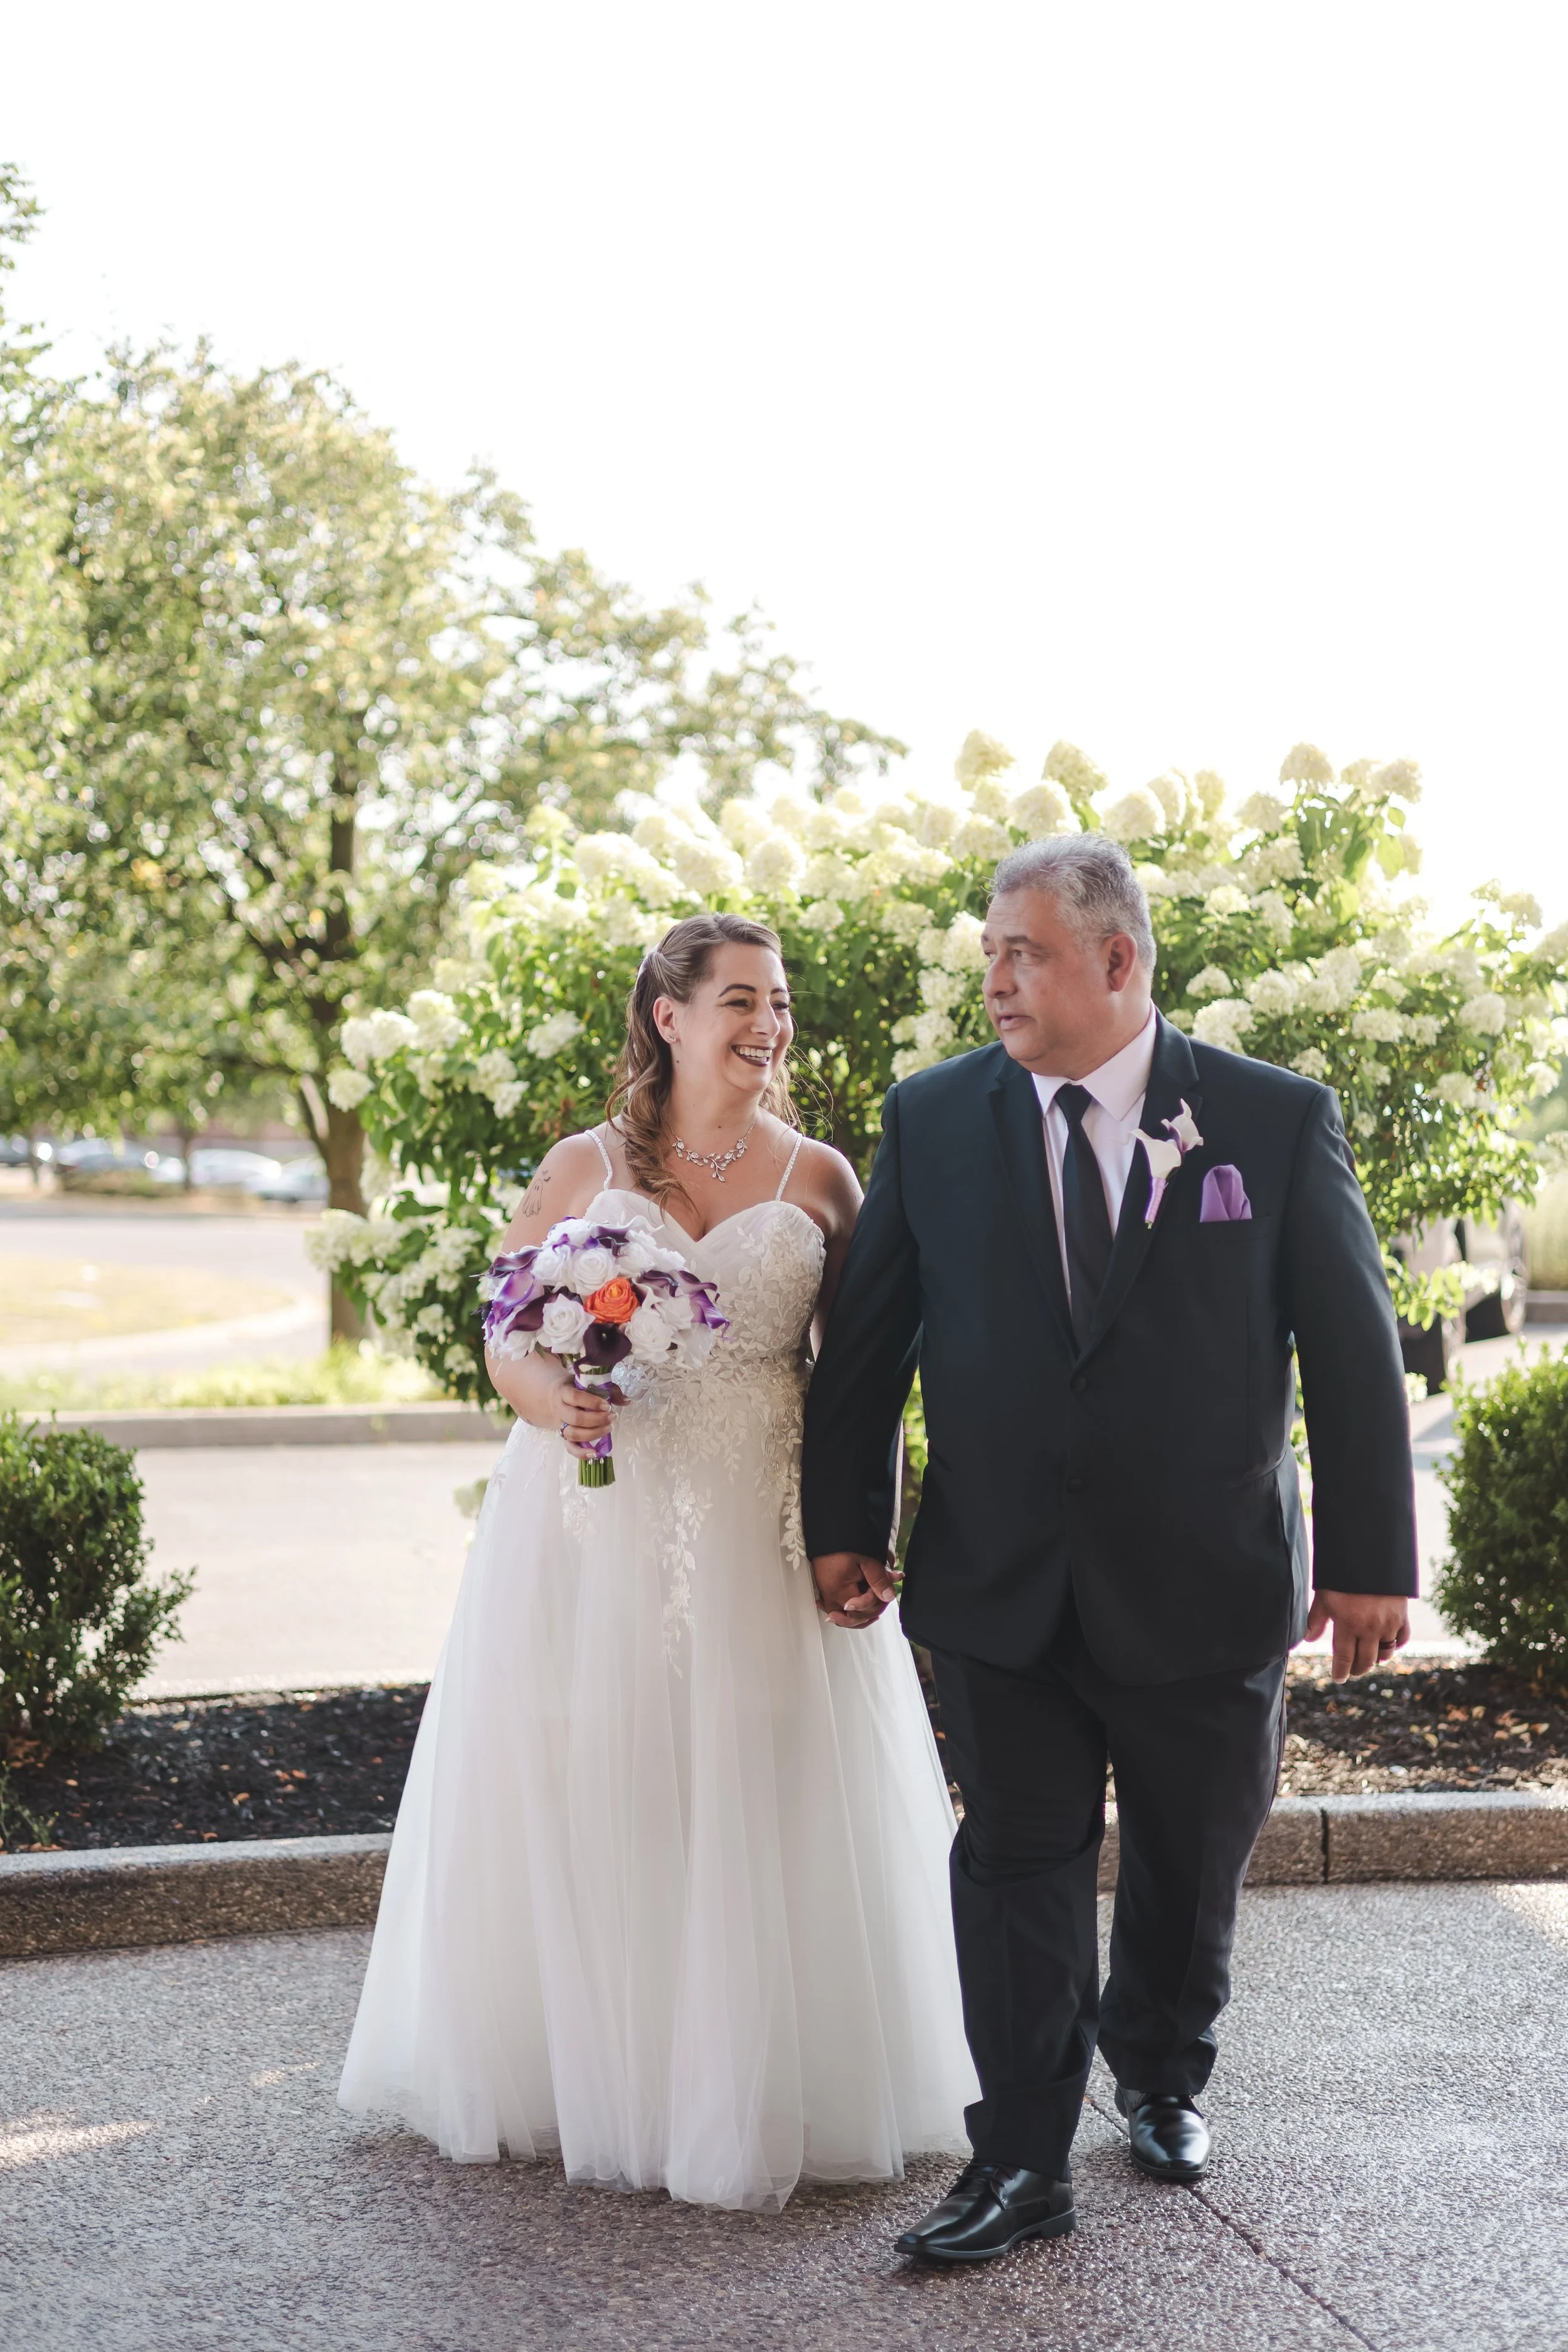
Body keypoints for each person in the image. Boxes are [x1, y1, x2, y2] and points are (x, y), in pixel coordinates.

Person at [803, 835, 1417, 2264]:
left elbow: (1349, 1346)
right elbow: (868, 1348)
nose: (994, 978)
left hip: (1205, 1575)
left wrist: (1369, 1558)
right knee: (1012, 1858)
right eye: (986, 955)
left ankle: (1156, 2067)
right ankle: (1018, 2155)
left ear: (1115, 959)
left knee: (1191, 1853)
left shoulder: (1268, 1120)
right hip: (998, 1574)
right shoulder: (936, 1116)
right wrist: (845, 1521)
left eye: (1019, 951)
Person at [339, 912, 976, 2212]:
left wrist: (864, 1531)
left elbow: (858, 1385)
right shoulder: (582, 1165)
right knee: (602, 1761)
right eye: (740, 998)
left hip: (759, 1514)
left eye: (780, 1002)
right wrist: (543, 1400)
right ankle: (603, 2071)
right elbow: (506, 1326)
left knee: (761, 1766)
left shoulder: (822, 1178)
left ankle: (759, 2077)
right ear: (669, 1015)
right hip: (594, 1508)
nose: (768, 1024)